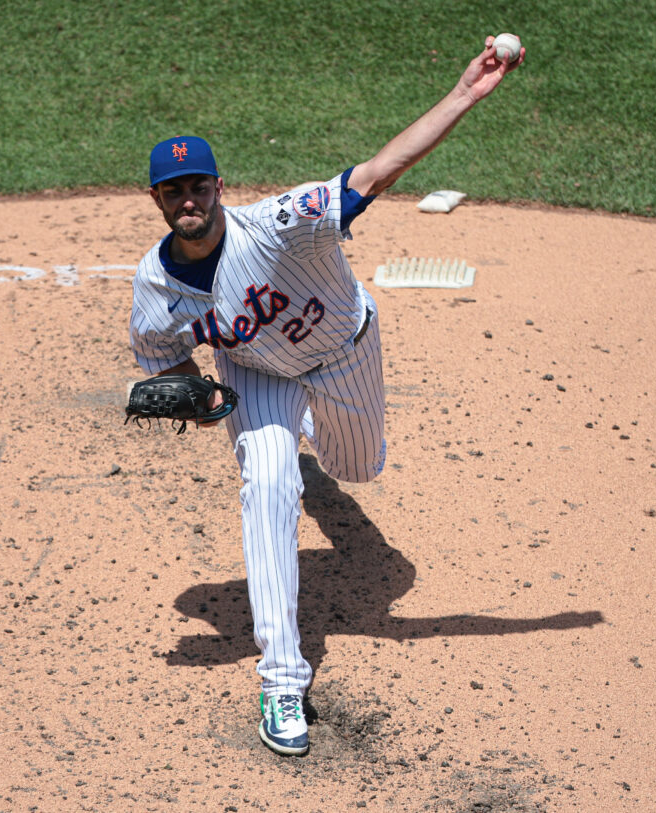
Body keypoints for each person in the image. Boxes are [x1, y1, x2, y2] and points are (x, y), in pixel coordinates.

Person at [128, 35, 525, 756]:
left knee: (356, 467)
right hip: (256, 375)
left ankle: (317, 458)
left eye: (199, 186)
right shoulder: (154, 289)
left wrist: (467, 92)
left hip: (344, 350)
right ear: (155, 199)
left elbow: (378, 170)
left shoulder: (281, 224)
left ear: (219, 187)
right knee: (269, 480)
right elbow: (164, 366)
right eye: (172, 191)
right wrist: (192, 396)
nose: (188, 199)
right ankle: (281, 680)